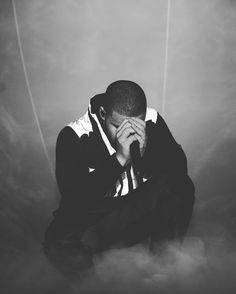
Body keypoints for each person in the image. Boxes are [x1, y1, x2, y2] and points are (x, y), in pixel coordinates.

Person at [43, 80, 195, 279]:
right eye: (117, 126)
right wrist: (120, 159)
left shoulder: (152, 120)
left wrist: (144, 151)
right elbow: (75, 201)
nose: (128, 134)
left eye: (135, 125)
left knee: (181, 186)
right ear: (103, 113)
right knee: (57, 239)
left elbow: (178, 171)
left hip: (136, 212)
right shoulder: (73, 136)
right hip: (96, 223)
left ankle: (160, 271)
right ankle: (89, 282)